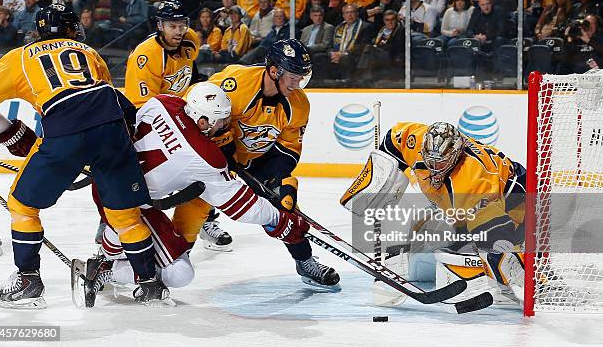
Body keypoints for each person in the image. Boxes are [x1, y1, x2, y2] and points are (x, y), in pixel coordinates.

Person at [0, 4, 166, 308]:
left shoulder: (20, 57)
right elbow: (114, 99)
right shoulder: (90, 52)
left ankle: (29, 279)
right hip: (112, 131)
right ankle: (149, 283)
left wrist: (7, 131)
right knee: (124, 215)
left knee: (22, 205)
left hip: (66, 132)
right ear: (71, 29)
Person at [83, 82, 313, 305]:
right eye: (220, 122)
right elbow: (242, 206)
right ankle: (107, 269)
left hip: (106, 182)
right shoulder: (206, 158)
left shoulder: (164, 102)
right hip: (130, 203)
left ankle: (107, 252)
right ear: (203, 121)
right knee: (180, 273)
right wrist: (278, 219)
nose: (224, 127)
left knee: (123, 224)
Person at [205, 39, 341, 289]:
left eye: (301, 77)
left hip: (257, 162)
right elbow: (202, 108)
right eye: (292, 76)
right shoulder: (237, 83)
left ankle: (305, 262)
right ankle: (156, 263)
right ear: (274, 70)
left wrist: (279, 183)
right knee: (190, 207)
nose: (297, 83)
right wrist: (223, 148)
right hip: (213, 155)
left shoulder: (298, 104)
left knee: (286, 211)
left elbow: (288, 148)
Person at [342, 121, 527, 302]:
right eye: (431, 161)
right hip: (466, 203)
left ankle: (498, 281)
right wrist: (380, 181)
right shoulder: (416, 140)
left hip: (516, 204)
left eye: (441, 163)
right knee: (424, 229)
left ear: (455, 156)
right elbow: (392, 142)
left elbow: (493, 234)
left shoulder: (470, 182)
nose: (434, 168)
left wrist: (513, 272)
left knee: (481, 252)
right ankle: (413, 263)